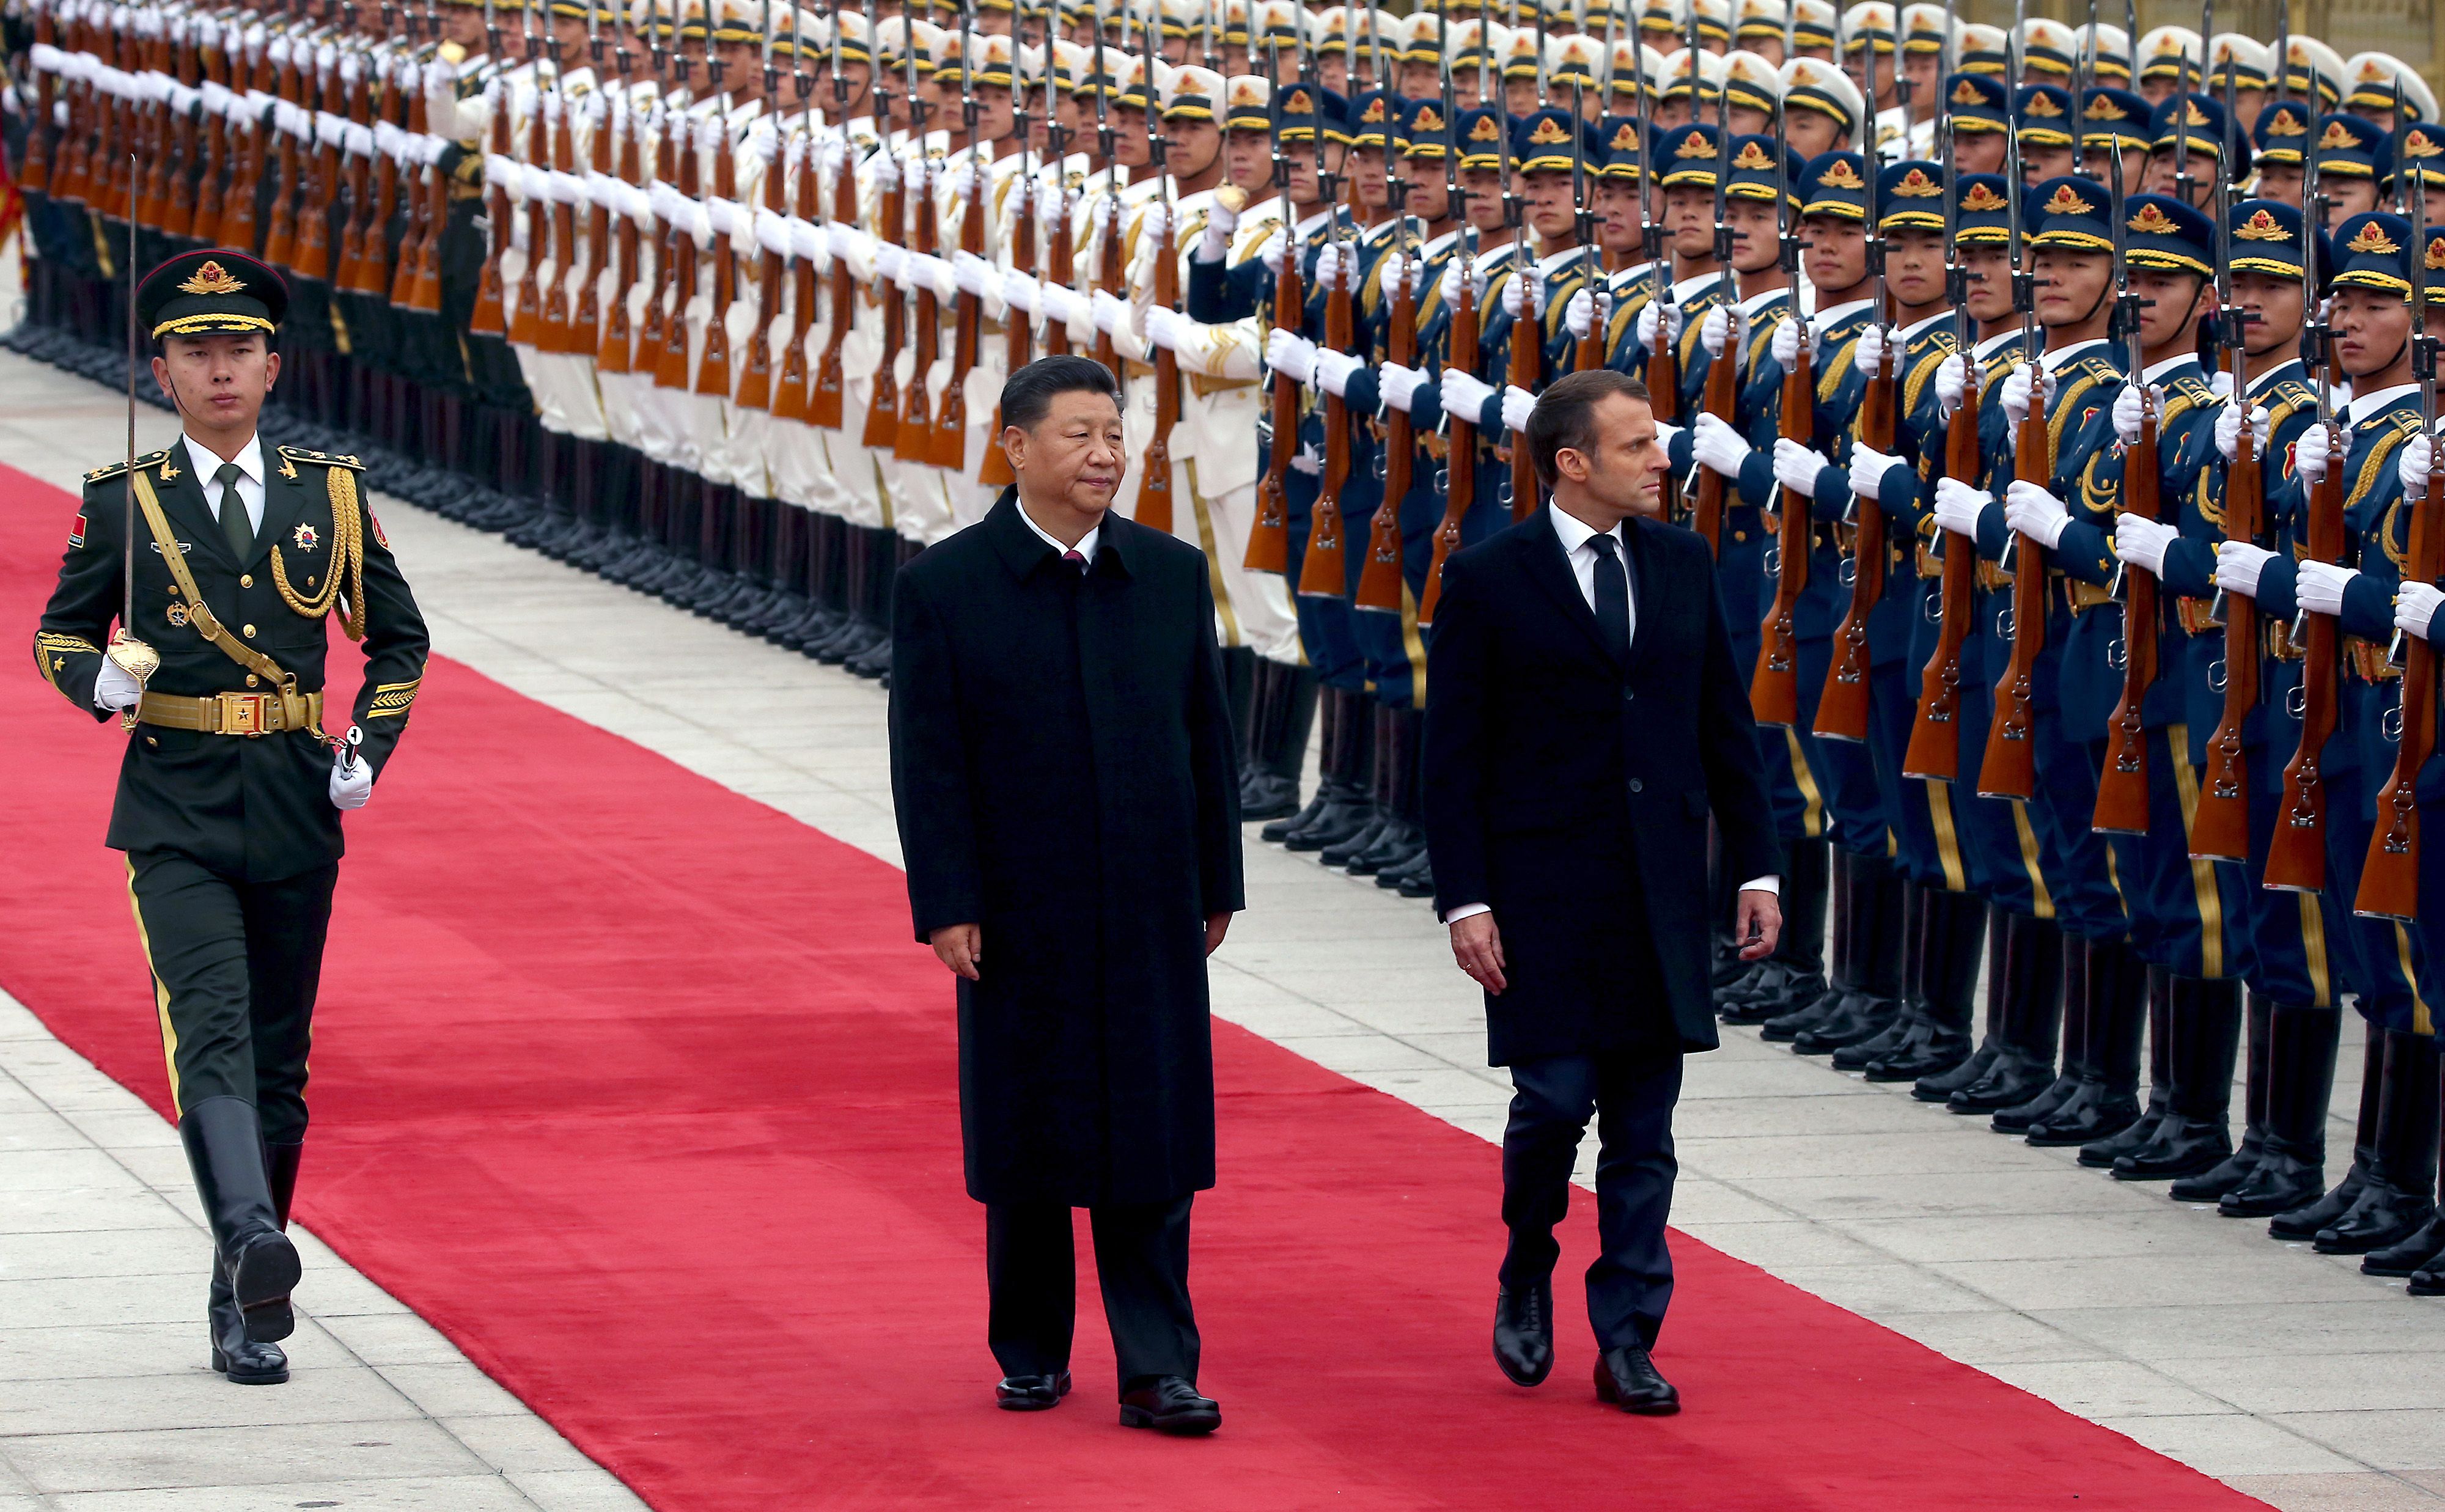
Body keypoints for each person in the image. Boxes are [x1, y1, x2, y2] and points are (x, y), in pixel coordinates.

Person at [34, 248, 431, 1387]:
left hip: (297, 799)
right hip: (175, 802)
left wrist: (369, 744)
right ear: (161, 372)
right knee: (208, 1025)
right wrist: (96, 684)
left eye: (238, 351)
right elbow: (60, 632)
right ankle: (257, 1236)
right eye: (195, 353)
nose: (220, 372)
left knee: (279, 1061)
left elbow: (397, 639)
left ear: (272, 363)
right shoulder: (124, 501)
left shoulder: (331, 494)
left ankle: (239, 1298)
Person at [886, 354, 1243, 1434]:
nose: (1105, 455)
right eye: (1081, 435)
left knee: (1150, 1133)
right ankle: (1032, 1347)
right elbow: (929, 761)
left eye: (1115, 435)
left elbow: (1206, 744)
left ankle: (1156, 1365)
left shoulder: (1171, 575)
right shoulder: (946, 585)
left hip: (1146, 900)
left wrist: (1216, 880)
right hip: (1019, 903)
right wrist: (948, 901)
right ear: (1016, 445)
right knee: (1028, 1127)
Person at [1422, 368, 1782, 1415]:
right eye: (1637, 447)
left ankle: (1628, 1332)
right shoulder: (1491, 576)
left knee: (1643, 1123)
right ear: (1571, 462)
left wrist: (1755, 865)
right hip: (1540, 888)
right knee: (1551, 1102)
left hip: (1657, 888)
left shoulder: (1681, 559)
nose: (1662, 461)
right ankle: (1526, 1262)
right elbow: (1453, 759)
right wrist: (1465, 899)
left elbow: (1724, 721)